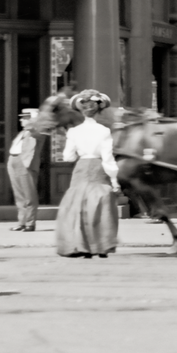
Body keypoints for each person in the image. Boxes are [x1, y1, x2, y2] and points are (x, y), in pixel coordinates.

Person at [55, 90, 120, 258]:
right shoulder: (104, 131)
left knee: (79, 206)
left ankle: (81, 245)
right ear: (99, 110)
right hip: (98, 167)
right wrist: (114, 180)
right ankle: (101, 246)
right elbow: (108, 158)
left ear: (81, 110)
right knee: (100, 205)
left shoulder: (73, 132)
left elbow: (68, 158)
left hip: (81, 168)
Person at [7, 108, 44, 232]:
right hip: (14, 160)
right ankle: (21, 222)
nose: (21, 119)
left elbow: (36, 130)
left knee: (29, 195)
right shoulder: (22, 132)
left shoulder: (37, 131)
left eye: (24, 117)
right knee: (19, 195)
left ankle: (30, 223)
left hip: (25, 163)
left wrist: (34, 119)